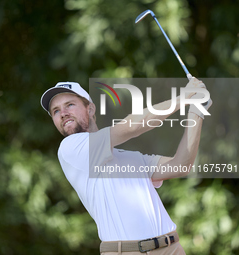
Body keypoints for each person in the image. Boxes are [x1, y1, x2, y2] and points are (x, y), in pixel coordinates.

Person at [40, 79, 212, 255]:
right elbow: (132, 127)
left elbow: (180, 166)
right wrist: (185, 98)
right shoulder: (70, 148)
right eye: (56, 111)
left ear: (90, 109)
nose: (63, 113)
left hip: (172, 248)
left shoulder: (128, 157)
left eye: (69, 105)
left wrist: (196, 110)